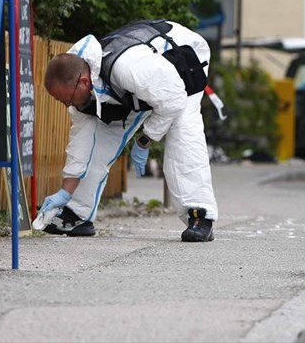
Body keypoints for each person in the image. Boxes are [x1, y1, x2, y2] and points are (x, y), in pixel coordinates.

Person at [39, 19, 218, 242]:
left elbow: (173, 99)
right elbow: (82, 144)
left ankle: (200, 216)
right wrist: (65, 192)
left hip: (181, 64)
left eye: (66, 99)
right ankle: (77, 214)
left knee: (182, 134)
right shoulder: (82, 89)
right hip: (139, 90)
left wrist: (145, 139)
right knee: (98, 141)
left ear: (84, 82)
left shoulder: (129, 68)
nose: (66, 105)